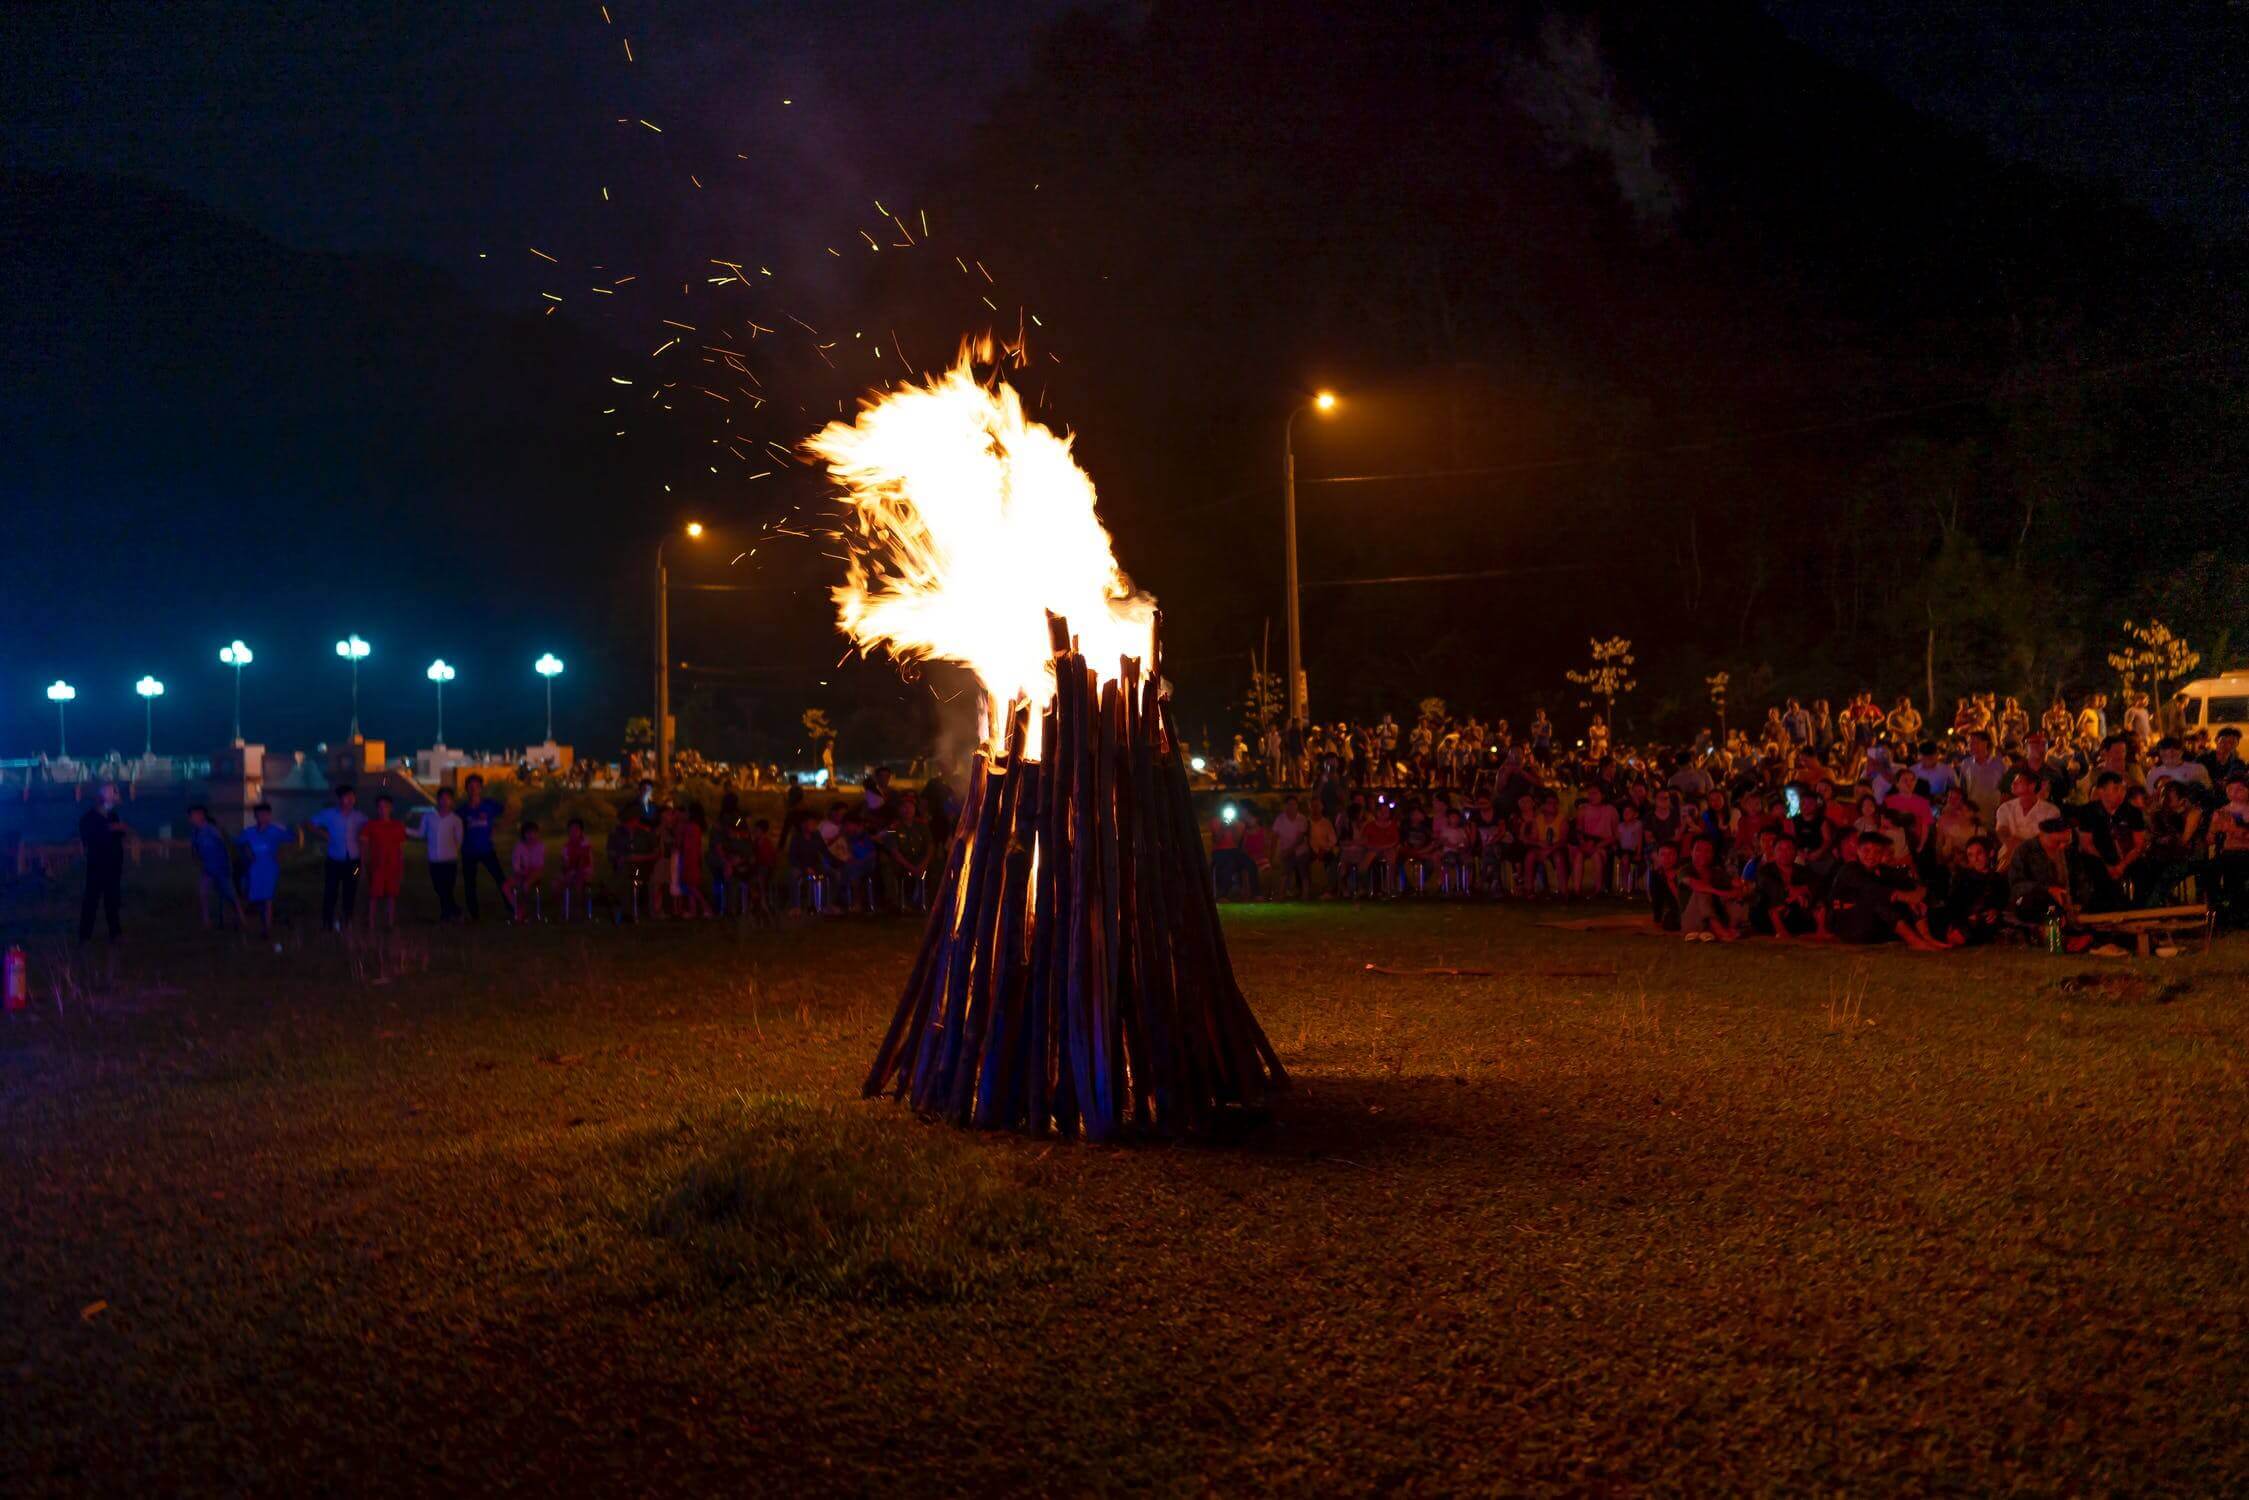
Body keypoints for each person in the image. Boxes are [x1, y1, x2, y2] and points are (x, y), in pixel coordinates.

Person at [1826, 836, 1950, 950]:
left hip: (1873, 923)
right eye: (1866, 850)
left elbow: (1912, 886)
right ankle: (1915, 942)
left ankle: (1927, 938)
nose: (1871, 856)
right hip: (1848, 924)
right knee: (1878, 899)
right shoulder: (1850, 870)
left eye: (1877, 852)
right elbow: (1872, 890)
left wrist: (1915, 897)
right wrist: (1907, 897)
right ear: (1858, 851)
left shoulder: (1883, 871)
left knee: (1912, 901)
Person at [2074, 771, 2146, 910]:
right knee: (2094, 870)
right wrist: (2107, 865)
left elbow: (2139, 845)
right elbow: (2086, 843)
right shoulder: (2088, 811)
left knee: (2142, 870)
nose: (2121, 793)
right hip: (2100, 858)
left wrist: (2122, 865)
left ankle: (2137, 911)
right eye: (2116, 789)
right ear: (2101, 791)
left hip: (2127, 858)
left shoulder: (2133, 812)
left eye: (2123, 789)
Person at [308, 784, 368, 931]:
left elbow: (367, 834)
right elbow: (309, 823)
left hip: (354, 862)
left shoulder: (359, 816)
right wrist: (324, 835)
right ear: (340, 799)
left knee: (351, 890)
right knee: (331, 890)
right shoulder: (329, 814)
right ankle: (327, 922)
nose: (350, 800)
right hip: (334, 860)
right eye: (347, 796)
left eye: (352, 796)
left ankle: (347, 920)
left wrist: (364, 860)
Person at [78, 780, 129, 944]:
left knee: (112, 901)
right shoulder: (90, 817)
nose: (116, 795)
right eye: (113, 792)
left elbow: (119, 836)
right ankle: (84, 936)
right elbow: (89, 836)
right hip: (97, 865)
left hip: (113, 865)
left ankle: (115, 934)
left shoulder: (113, 815)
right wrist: (111, 829)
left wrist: (117, 830)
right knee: (91, 900)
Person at [456, 774, 512, 921]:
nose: (473, 789)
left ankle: (513, 909)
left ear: (481, 788)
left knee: (500, 879)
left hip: (487, 849)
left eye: (476, 786)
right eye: (470, 787)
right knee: (470, 884)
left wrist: (500, 826)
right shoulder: (462, 810)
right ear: (467, 789)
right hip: (468, 850)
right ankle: (473, 914)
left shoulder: (489, 805)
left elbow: (508, 810)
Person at [236, 801, 292, 941]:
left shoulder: (276, 830)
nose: (263, 816)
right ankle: (264, 921)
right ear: (255, 816)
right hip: (254, 868)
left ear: (270, 815)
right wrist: (246, 853)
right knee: (257, 898)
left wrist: (283, 854)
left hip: (270, 867)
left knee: (267, 898)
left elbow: (293, 839)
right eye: (260, 814)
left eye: (266, 814)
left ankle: (267, 928)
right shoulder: (249, 832)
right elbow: (238, 844)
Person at [1677, 835, 1749, 941]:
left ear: (1712, 854)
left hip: (1716, 915)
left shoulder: (1716, 872)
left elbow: (1739, 885)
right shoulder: (1685, 870)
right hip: (1693, 920)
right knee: (1702, 892)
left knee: (1739, 901)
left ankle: (1726, 928)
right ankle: (1720, 931)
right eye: (1698, 850)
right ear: (1691, 851)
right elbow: (1695, 884)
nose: (1703, 854)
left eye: (1707, 851)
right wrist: (1720, 893)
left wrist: (1734, 893)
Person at [409, 787, 465, 922]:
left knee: (447, 888)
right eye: (442, 798)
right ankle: (454, 911)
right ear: (437, 800)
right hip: (434, 859)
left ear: (452, 801)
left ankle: (447, 915)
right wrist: (405, 830)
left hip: (449, 860)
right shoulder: (429, 817)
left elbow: (459, 839)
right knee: (439, 888)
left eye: (448, 799)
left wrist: (453, 852)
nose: (444, 801)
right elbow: (421, 833)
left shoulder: (456, 820)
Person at [186, 805, 241, 930]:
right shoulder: (195, 832)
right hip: (207, 868)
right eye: (190, 816)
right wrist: (197, 860)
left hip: (221, 867)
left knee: (230, 894)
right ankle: (207, 921)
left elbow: (225, 845)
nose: (191, 818)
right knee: (203, 893)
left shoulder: (212, 830)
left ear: (201, 816)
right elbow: (194, 849)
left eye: (194, 815)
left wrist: (229, 863)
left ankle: (240, 918)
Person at [361, 793, 409, 929]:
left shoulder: (398, 826)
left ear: (391, 808)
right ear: (377, 809)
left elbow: (401, 848)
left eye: (386, 806)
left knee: (391, 895)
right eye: (380, 807)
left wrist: (402, 867)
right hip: (377, 866)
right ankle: (371, 922)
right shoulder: (370, 825)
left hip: (393, 865)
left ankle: (390, 922)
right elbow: (364, 846)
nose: (383, 809)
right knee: (374, 895)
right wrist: (363, 866)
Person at [1992, 770, 2060, 861]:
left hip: (2038, 859)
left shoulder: (2050, 811)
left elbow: (2046, 840)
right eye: (2014, 781)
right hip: (2010, 857)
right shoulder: (2005, 808)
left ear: (2032, 786)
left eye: (2019, 781)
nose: (2013, 783)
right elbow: (2002, 831)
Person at [1270, 796, 1312, 899]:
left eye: (1294, 804)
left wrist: (1288, 851)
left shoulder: (1302, 819)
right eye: (1289, 804)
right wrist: (1272, 855)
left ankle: (1305, 895)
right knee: (1285, 870)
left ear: (1297, 806)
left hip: (1300, 850)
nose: (1292, 807)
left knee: (1303, 869)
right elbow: (1274, 837)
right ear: (1285, 806)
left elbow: (1301, 839)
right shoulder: (1280, 819)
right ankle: (1281, 894)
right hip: (1286, 851)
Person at [507, 820, 548, 921]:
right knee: (506, 886)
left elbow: (539, 864)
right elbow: (515, 863)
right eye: (528, 833)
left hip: (535, 872)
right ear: (524, 834)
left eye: (533, 833)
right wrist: (520, 871)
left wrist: (527, 871)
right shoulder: (519, 846)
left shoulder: (541, 846)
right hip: (521, 872)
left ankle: (525, 910)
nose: (531, 836)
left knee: (526, 884)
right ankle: (518, 910)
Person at [560, 817, 595, 920]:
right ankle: (565, 910)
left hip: (584, 870)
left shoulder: (586, 843)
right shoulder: (566, 846)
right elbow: (565, 863)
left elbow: (584, 861)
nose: (574, 832)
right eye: (571, 830)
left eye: (576, 829)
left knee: (578, 882)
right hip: (572, 871)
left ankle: (577, 911)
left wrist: (573, 870)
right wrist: (568, 870)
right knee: (558, 883)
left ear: (581, 831)